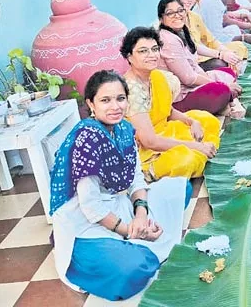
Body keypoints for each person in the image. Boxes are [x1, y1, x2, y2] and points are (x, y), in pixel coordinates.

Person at [49, 70, 189, 301]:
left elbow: (136, 178)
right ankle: (73, 245)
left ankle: (131, 240)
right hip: (83, 220)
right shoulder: (86, 139)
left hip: (116, 203)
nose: (115, 106)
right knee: (130, 270)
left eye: (120, 98)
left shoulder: (124, 129)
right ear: (91, 104)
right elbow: (91, 206)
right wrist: (132, 231)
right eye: (105, 100)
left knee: (180, 188)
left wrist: (141, 215)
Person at [121, 26, 221, 180]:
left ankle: (203, 150)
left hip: (164, 130)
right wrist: (196, 146)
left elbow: (168, 111)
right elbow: (150, 141)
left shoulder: (156, 76)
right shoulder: (132, 89)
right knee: (186, 160)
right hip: (146, 150)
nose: (151, 55)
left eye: (154, 49)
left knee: (206, 120)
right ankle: (151, 172)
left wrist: (191, 121)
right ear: (129, 56)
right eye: (143, 51)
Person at [156, 0, 244, 117]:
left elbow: (195, 65)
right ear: (161, 19)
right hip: (180, 97)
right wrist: (221, 86)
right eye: (170, 13)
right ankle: (223, 102)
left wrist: (221, 55)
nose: (177, 15)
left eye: (180, 10)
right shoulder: (168, 40)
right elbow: (189, 79)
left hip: (192, 83)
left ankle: (224, 102)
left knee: (228, 72)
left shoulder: (181, 31)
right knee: (222, 91)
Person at [174, 0, 248, 73]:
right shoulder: (174, 18)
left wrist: (226, 52)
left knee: (239, 47)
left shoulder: (193, 16)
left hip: (204, 53)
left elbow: (211, 40)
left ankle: (231, 72)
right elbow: (192, 46)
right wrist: (221, 54)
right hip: (189, 60)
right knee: (220, 63)